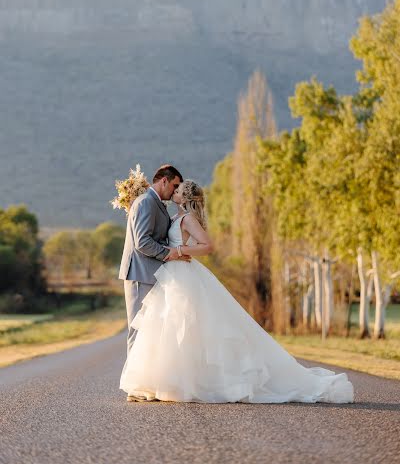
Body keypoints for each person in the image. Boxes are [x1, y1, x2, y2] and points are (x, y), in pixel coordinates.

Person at [120, 179, 354, 404]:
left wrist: (180, 250)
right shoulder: (176, 217)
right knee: (173, 329)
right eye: (175, 187)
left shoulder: (189, 218)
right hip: (171, 276)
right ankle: (172, 381)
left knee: (186, 327)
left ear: (186, 196)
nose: (175, 191)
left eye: (178, 189)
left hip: (182, 275)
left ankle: (190, 382)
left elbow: (208, 246)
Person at [118, 164, 189, 359]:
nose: (176, 191)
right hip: (140, 274)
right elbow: (143, 242)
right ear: (164, 180)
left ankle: (145, 382)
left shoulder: (155, 203)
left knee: (151, 330)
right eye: (175, 186)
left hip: (151, 273)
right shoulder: (146, 203)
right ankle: (134, 385)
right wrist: (171, 253)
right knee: (139, 328)